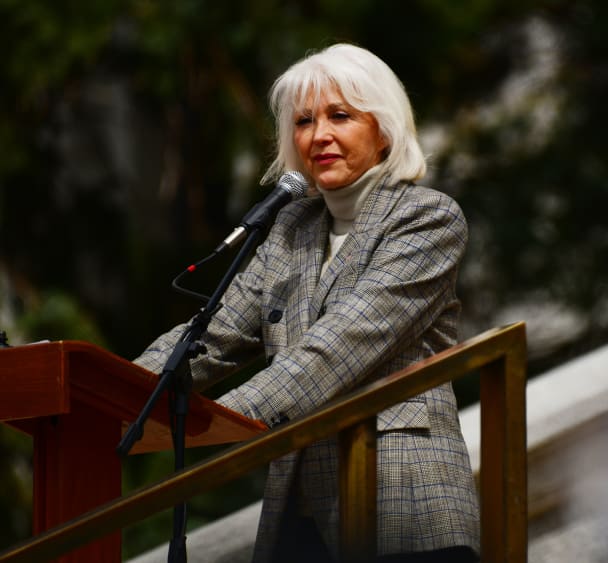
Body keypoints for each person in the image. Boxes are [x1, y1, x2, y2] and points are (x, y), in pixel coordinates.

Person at [135, 43, 480, 562]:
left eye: (340, 116)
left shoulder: (427, 218)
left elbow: (339, 346)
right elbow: (214, 336)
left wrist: (226, 421)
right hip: (301, 508)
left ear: (383, 128)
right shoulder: (292, 228)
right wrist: (112, 399)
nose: (318, 135)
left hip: (403, 504)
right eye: (303, 121)